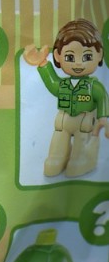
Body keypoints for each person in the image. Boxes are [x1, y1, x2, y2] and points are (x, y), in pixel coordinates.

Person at [24, 18, 109, 177]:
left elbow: (102, 97)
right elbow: (52, 84)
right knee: (59, 139)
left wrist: (103, 117)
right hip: (63, 120)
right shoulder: (63, 85)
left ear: (99, 55)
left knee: (82, 141)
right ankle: (56, 158)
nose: (78, 64)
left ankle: (81, 159)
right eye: (70, 57)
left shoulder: (94, 86)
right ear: (57, 56)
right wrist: (43, 64)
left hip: (85, 120)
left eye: (87, 57)